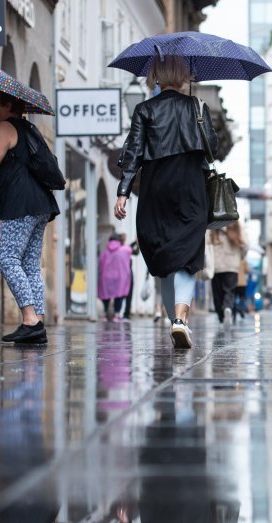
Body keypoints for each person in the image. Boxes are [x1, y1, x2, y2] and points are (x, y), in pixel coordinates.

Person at [114, 55, 217, 348]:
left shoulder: (144, 109)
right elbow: (213, 150)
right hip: (191, 186)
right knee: (187, 253)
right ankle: (180, 320)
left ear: (156, 77)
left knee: (162, 250)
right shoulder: (197, 106)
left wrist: (123, 192)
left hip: (156, 185)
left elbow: (132, 152)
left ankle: (176, 319)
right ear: (184, 76)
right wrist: (198, 120)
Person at [0, 89, 60, 344]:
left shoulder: (5, 127)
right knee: (29, 264)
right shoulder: (29, 128)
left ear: (7, 105)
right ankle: (37, 322)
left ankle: (30, 320)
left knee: (7, 259)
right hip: (41, 203)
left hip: (21, 203)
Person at [209, 223, 247, 328]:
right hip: (232, 266)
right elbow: (245, 246)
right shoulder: (236, 225)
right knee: (229, 291)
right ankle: (227, 308)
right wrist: (239, 258)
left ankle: (221, 318)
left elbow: (207, 244)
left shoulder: (213, 225)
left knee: (217, 294)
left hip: (216, 265)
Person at [98, 233, 132, 322]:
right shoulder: (124, 250)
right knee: (119, 296)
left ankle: (105, 314)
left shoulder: (104, 252)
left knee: (106, 296)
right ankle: (117, 315)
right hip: (119, 277)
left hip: (106, 277)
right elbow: (130, 250)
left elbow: (100, 265)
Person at [122, 236, 139, 319]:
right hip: (127, 274)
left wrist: (135, 242)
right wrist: (137, 243)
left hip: (120, 274)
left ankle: (119, 312)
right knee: (129, 293)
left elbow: (129, 247)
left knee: (119, 294)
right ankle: (126, 313)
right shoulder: (125, 250)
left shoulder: (120, 249)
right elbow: (135, 252)